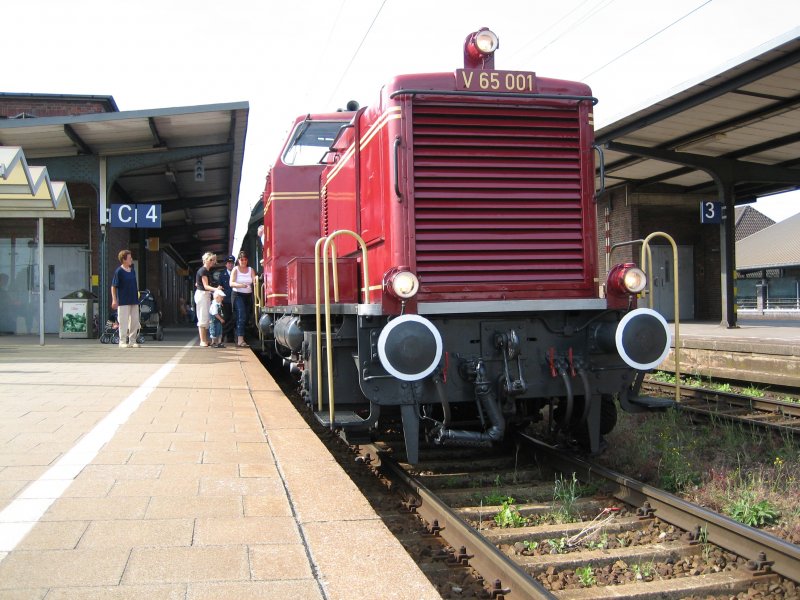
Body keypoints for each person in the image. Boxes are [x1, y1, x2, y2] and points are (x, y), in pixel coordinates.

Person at [110, 249, 141, 348]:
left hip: (134, 300)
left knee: (134, 321)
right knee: (123, 321)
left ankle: (132, 341)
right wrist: (114, 300)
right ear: (124, 259)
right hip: (123, 301)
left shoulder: (132, 271)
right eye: (129, 257)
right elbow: (113, 286)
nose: (131, 259)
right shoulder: (119, 271)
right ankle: (122, 341)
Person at [194, 251, 221, 347]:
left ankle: (204, 340)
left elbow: (197, 284)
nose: (212, 262)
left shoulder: (204, 271)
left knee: (205, 317)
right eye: (210, 260)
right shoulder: (204, 271)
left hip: (203, 295)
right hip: (203, 295)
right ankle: (202, 341)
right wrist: (216, 289)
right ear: (205, 260)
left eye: (213, 260)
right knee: (203, 317)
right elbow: (205, 286)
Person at [229, 250, 255, 348]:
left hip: (248, 296)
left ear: (247, 260)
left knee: (246, 317)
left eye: (245, 259)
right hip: (238, 295)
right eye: (241, 259)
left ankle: (239, 335)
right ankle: (240, 340)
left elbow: (254, 280)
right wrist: (241, 285)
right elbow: (231, 283)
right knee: (241, 315)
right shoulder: (235, 269)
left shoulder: (250, 269)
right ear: (238, 260)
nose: (243, 261)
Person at [218, 255, 235, 343]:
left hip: (236, 299)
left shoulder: (236, 273)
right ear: (226, 264)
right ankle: (229, 337)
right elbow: (220, 288)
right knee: (227, 318)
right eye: (229, 263)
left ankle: (224, 334)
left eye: (232, 263)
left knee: (234, 318)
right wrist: (220, 300)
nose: (230, 265)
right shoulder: (222, 274)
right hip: (226, 300)